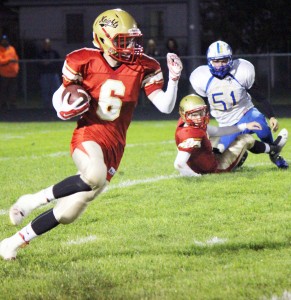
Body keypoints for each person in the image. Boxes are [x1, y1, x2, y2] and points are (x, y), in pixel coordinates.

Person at [0, 8, 183, 260]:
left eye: (133, 40)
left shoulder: (144, 66)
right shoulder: (83, 60)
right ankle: (32, 200)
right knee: (94, 175)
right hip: (88, 135)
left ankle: (12, 242)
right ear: (104, 40)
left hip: (116, 144)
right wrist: (61, 107)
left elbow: (164, 106)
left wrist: (174, 79)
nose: (131, 46)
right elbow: (62, 94)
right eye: (123, 40)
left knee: (67, 213)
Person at [189, 40, 288, 169]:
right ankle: (243, 155)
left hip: (245, 112)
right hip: (225, 124)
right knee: (218, 159)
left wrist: (272, 116)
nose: (220, 65)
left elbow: (258, 95)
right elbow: (199, 106)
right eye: (216, 61)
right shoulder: (202, 78)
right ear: (209, 61)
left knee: (261, 125)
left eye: (223, 60)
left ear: (230, 59)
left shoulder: (240, 71)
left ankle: (274, 154)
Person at [174, 94, 288, 176]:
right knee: (246, 138)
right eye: (194, 115)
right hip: (214, 168)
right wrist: (196, 177)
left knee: (216, 138)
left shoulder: (186, 124)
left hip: (202, 161)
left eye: (201, 113)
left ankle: (240, 157)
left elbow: (216, 131)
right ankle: (273, 149)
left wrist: (244, 126)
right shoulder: (192, 133)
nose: (199, 117)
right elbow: (179, 164)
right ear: (184, 115)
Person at [38, 38, 61, 107]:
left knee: (56, 90)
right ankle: (46, 106)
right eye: (45, 44)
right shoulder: (41, 53)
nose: (47, 45)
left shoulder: (54, 52)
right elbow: (39, 63)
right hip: (44, 74)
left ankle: (56, 105)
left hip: (54, 74)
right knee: (45, 90)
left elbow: (58, 61)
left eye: (48, 44)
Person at [0, 35, 19, 109]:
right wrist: (9, 60)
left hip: (13, 74)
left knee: (13, 90)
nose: (5, 41)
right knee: (3, 90)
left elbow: (16, 59)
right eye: (3, 40)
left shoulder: (12, 49)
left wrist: (17, 69)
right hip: (4, 74)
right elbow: (1, 61)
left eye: (6, 40)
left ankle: (12, 104)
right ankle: (3, 104)